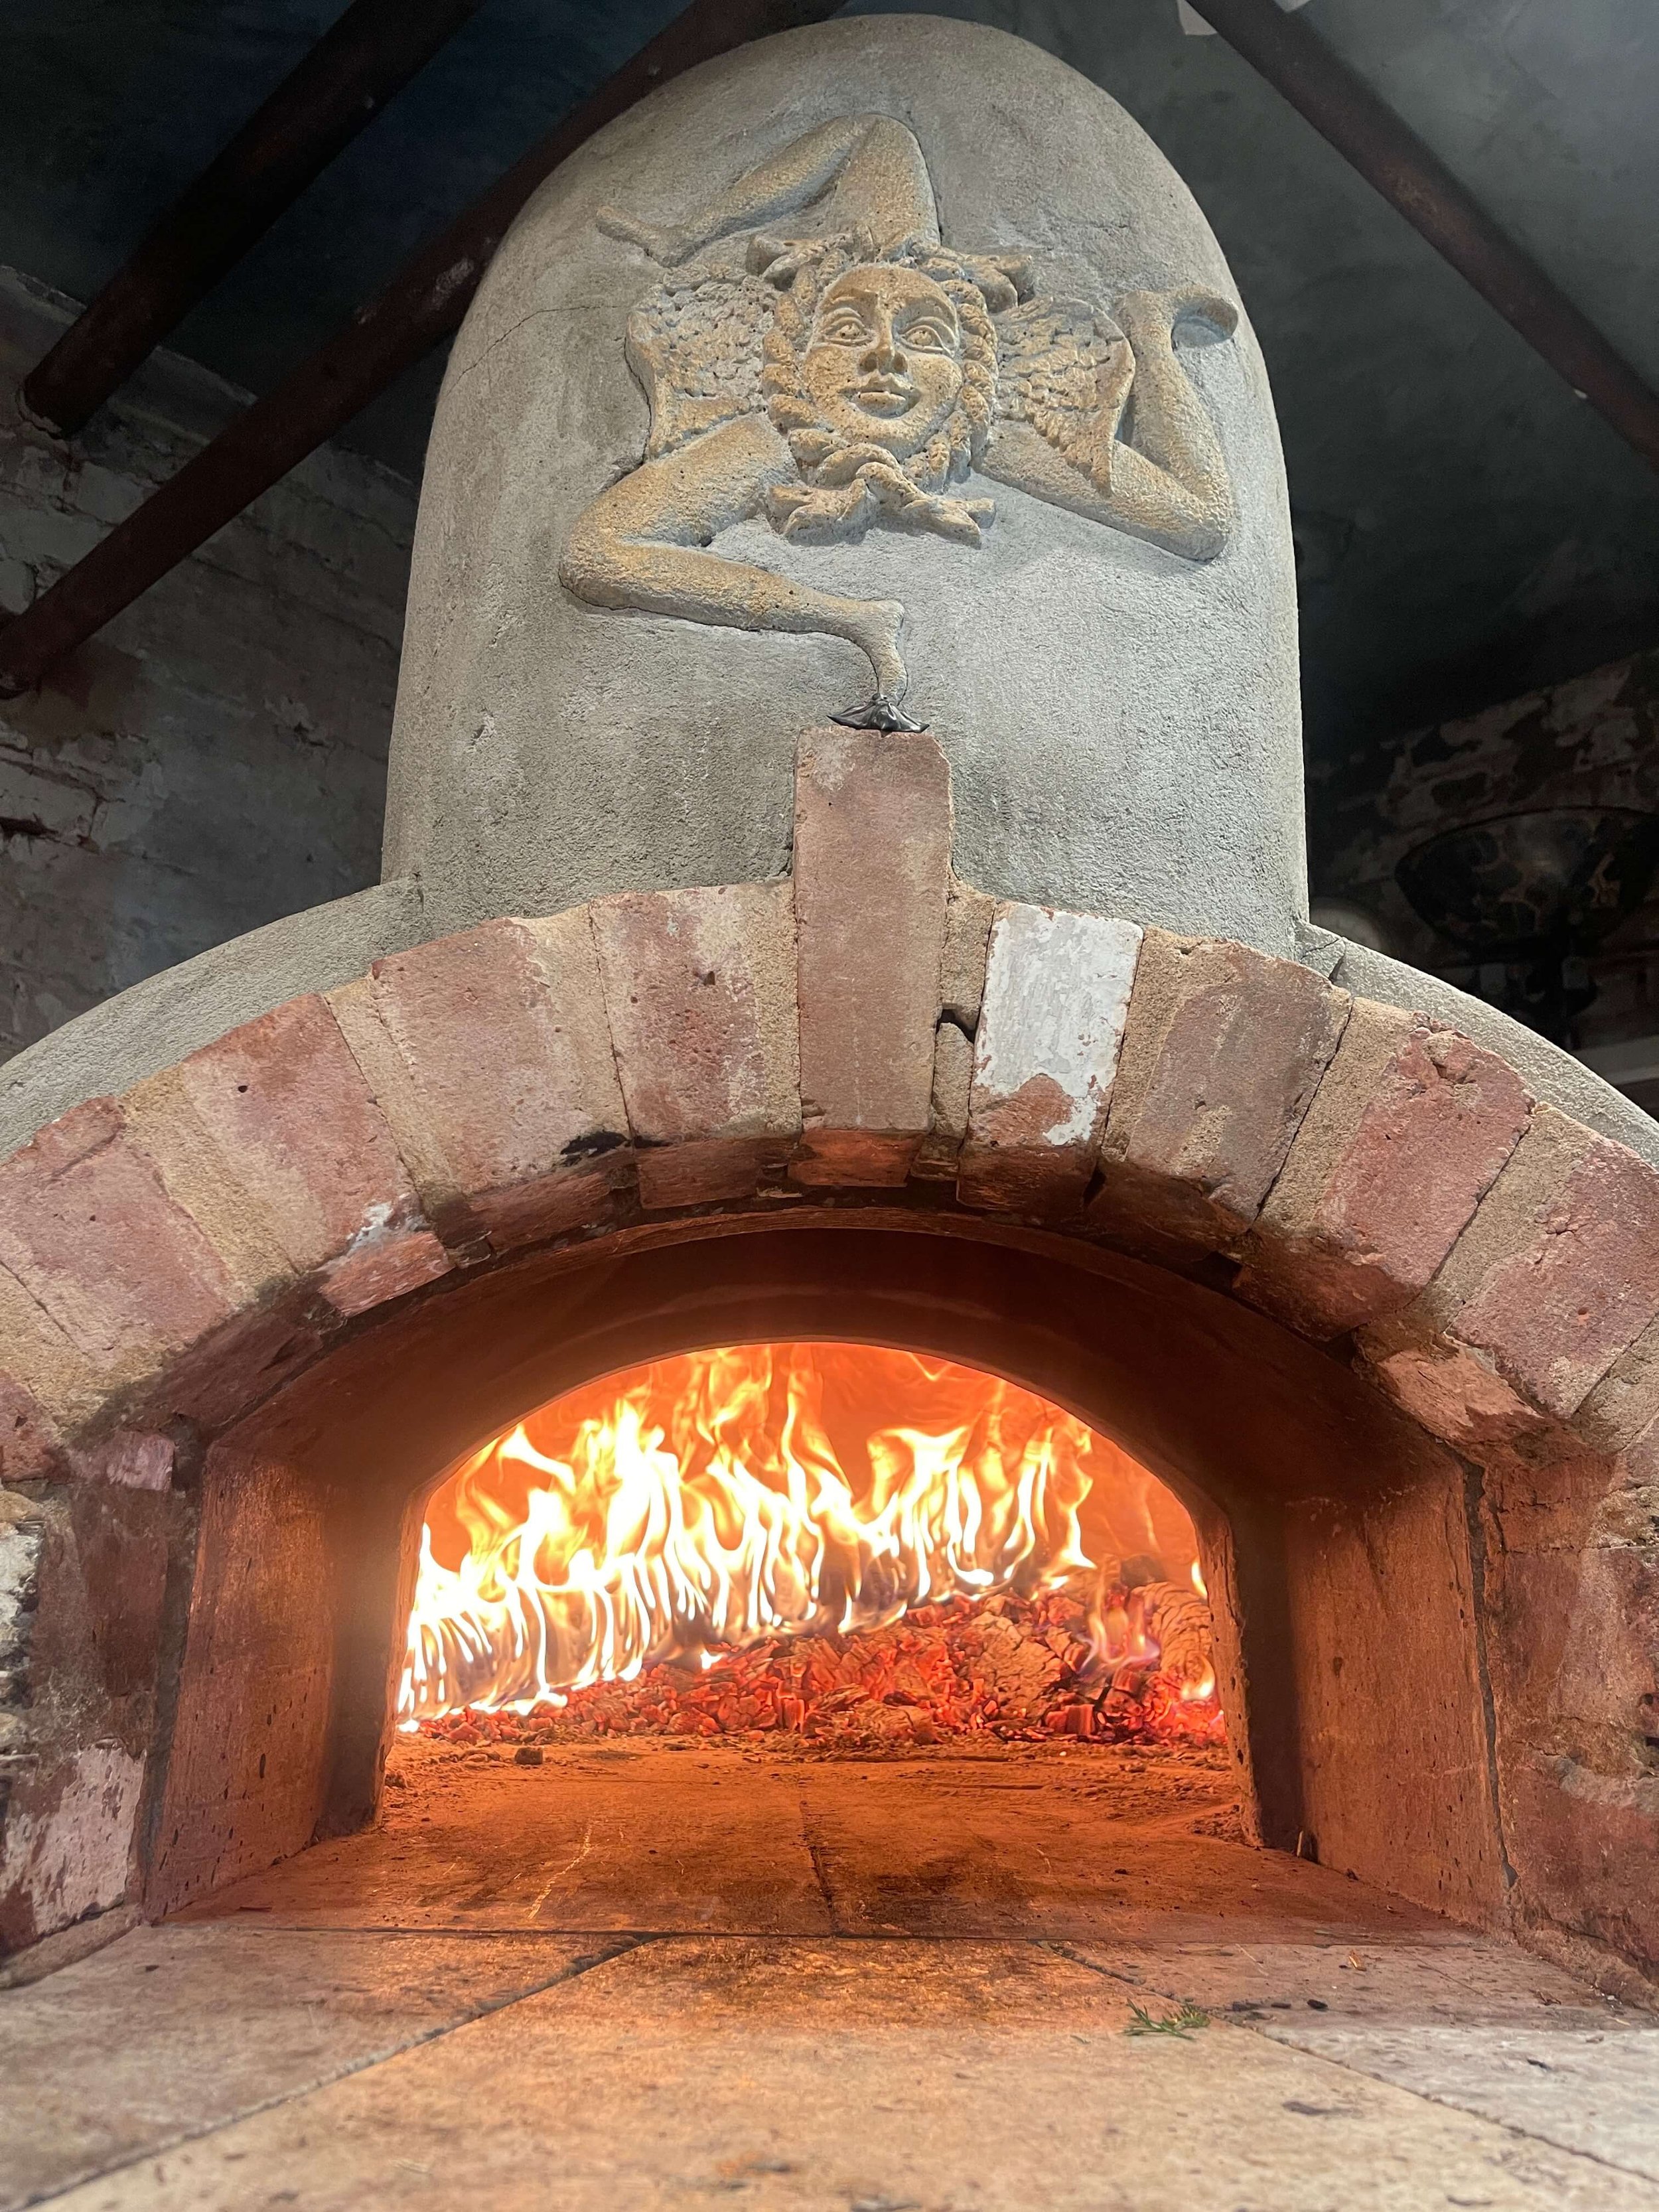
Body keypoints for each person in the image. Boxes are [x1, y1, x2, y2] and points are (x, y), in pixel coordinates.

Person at [561, 114, 1238, 727]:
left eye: (922, 338)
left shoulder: (998, 432)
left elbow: (1201, 518)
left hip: (974, 415)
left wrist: (1151, 345)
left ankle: (1144, 322)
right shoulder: (766, 443)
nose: (884, 358)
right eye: (849, 328)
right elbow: (598, 553)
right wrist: (839, 616)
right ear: (794, 352)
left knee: (1201, 525)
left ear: (972, 365)